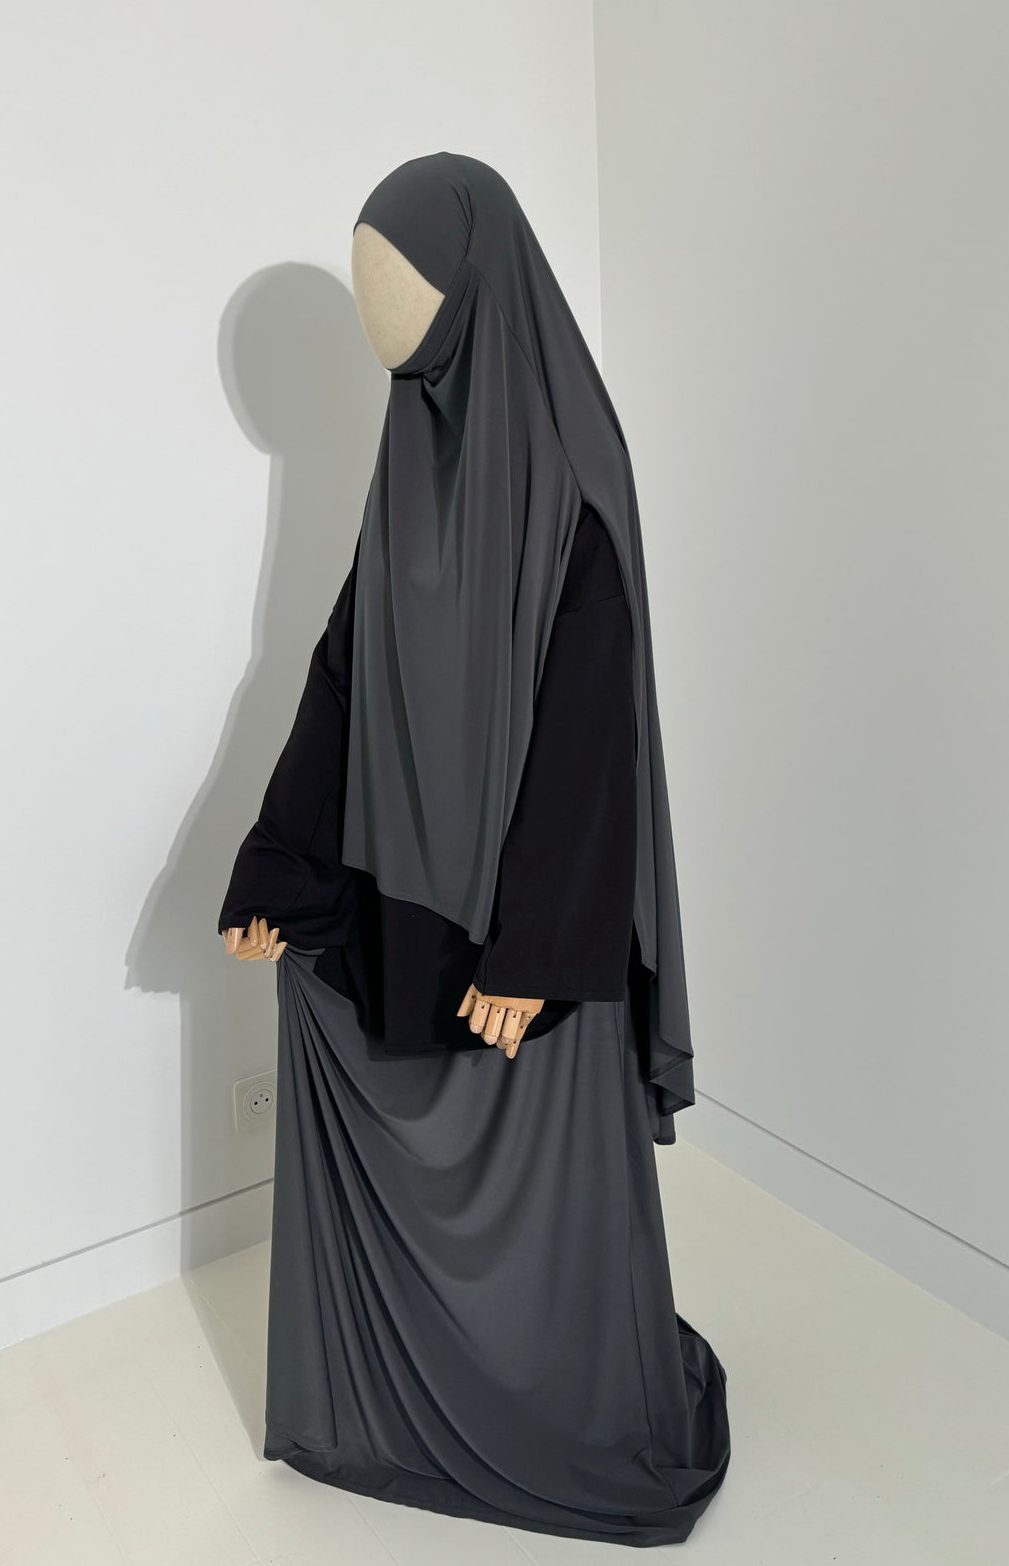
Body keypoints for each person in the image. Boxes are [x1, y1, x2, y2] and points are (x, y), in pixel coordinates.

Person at [218, 151, 730, 1547]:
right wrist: (282, 866)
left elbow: (594, 727)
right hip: (415, 893)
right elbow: (347, 669)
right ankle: (403, 1399)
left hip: (525, 923)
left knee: (543, 1192)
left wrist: (541, 949)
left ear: (475, 287)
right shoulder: (411, 463)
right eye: (367, 282)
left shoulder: (575, 469)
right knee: (324, 1006)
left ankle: (556, 1407)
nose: (377, 312)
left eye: (399, 280)